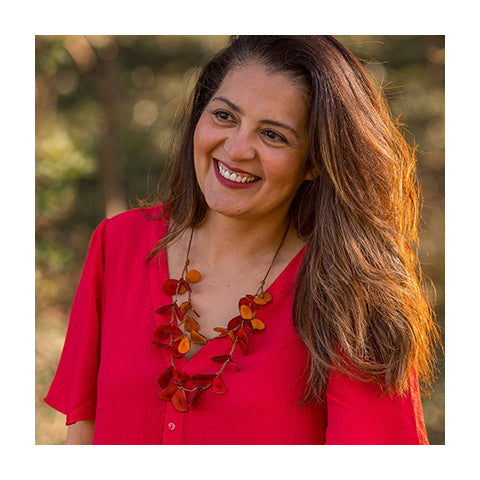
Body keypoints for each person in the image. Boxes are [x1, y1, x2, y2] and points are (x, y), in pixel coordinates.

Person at [44, 35, 440, 445]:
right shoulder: (118, 243)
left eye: (273, 135)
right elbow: (83, 434)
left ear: (315, 162)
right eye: (224, 116)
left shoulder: (351, 297)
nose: (236, 149)